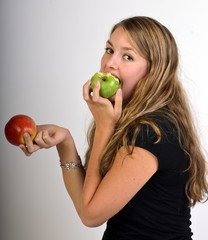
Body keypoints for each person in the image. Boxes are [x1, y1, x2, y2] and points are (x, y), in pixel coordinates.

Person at [20, 16, 208, 239]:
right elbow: (86, 203)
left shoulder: (152, 131)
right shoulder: (132, 119)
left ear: (153, 72)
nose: (110, 63)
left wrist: (104, 127)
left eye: (127, 56)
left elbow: (90, 216)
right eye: (109, 50)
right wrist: (65, 142)